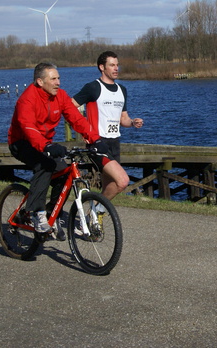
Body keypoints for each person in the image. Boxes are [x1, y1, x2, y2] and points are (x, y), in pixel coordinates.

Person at [8, 62, 111, 237]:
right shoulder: (27, 99)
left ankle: (51, 213)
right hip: (22, 143)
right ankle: (37, 213)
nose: (58, 82)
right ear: (40, 81)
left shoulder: (60, 96)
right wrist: (46, 146)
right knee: (45, 165)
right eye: (54, 79)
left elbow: (77, 119)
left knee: (64, 172)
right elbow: (28, 127)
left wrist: (95, 139)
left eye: (59, 78)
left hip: (44, 143)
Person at [72, 50, 143, 200]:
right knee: (122, 181)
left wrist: (132, 122)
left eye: (117, 65)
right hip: (98, 142)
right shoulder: (93, 87)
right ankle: (97, 209)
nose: (116, 68)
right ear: (102, 67)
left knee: (110, 184)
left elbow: (123, 118)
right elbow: (71, 107)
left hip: (114, 142)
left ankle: (94, 217)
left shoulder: (121, 90)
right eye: (112, 65)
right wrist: (85, 131)